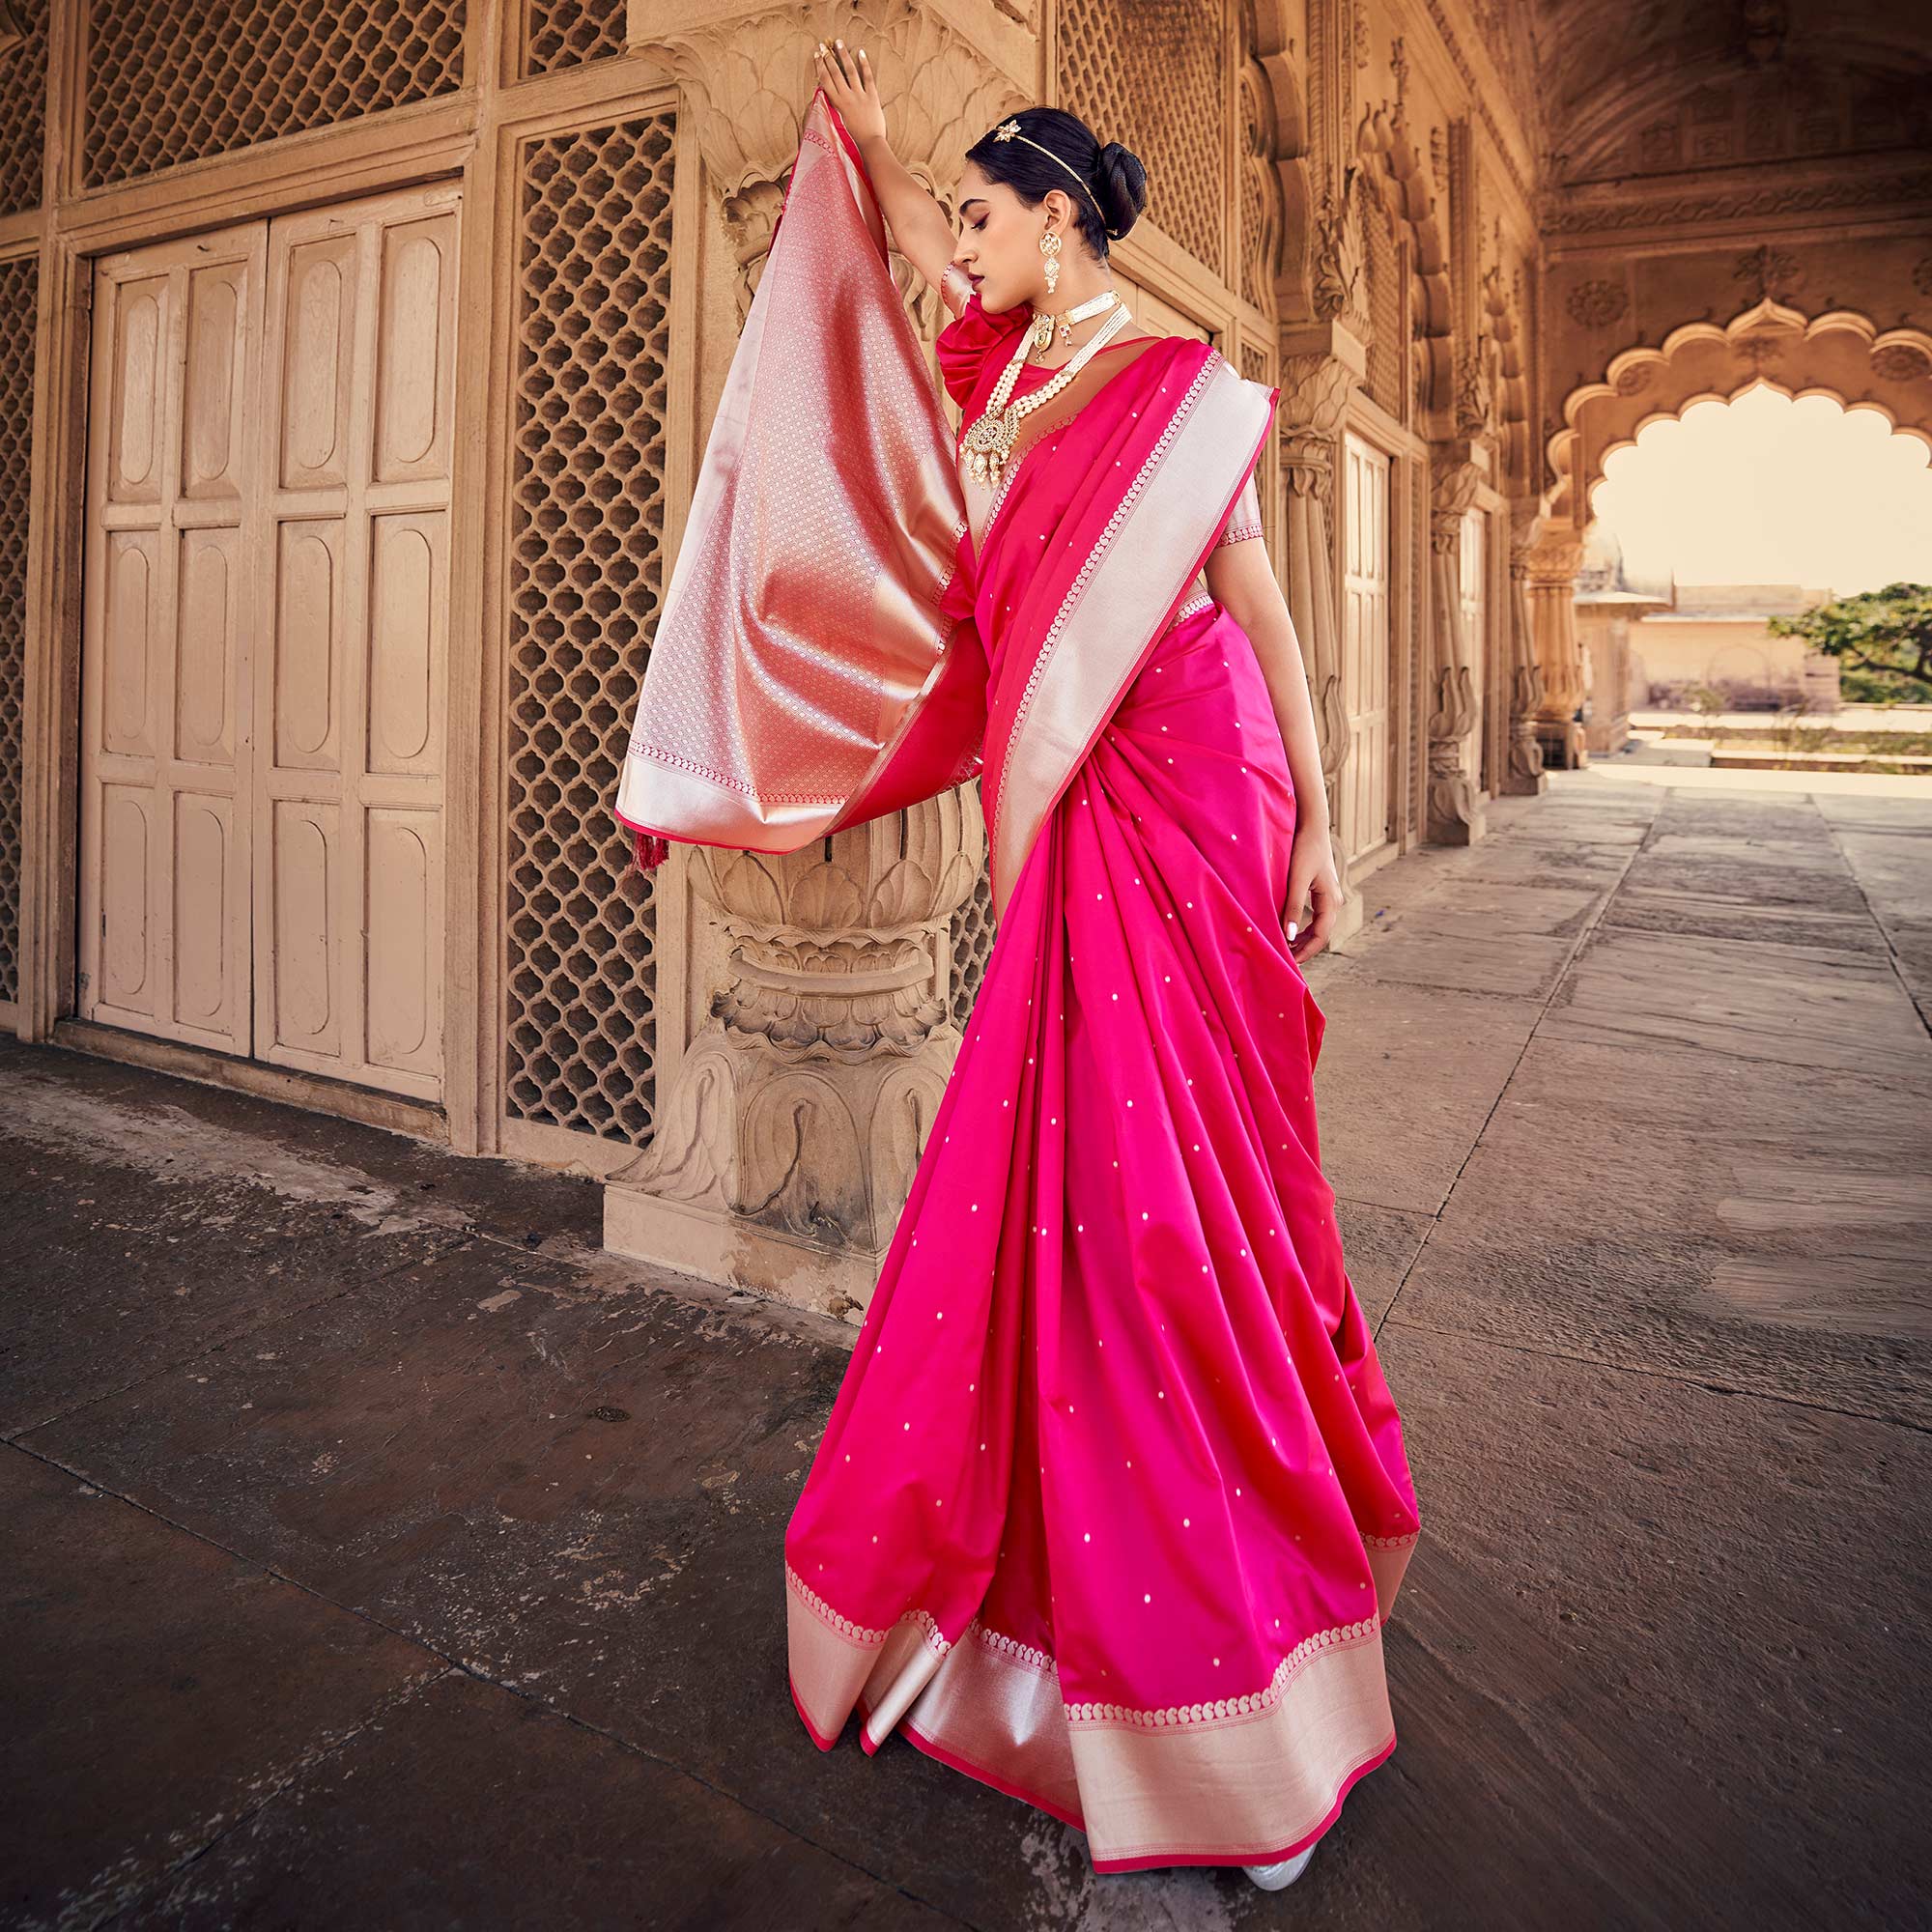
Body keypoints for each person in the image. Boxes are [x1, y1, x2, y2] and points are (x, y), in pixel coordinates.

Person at [615, 38, 1422, 1890]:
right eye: (955, 221)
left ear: (1059, 220)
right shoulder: (1001, 380)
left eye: (984, 218)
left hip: (1196, 791)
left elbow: (1261, 611)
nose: (951, 248)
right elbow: (908, 297)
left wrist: (1319, 812)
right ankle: (1073, 1634)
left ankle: (1239, 1688)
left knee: (1176, 1208)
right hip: (1071, 825)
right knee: (1068, 1195)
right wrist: (893, 161)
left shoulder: (1173, 390)